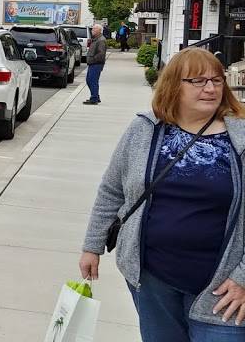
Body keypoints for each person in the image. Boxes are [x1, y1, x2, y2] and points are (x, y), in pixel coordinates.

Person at [80, 48, 245, 341]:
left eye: (217, 81)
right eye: (197, 81)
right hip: (154, 279)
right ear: (173, 86)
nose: (210, 88)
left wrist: (243, 278)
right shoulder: (145, 130)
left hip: (222, 290)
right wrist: (92, 246)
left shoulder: (240, 139)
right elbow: (111, 190)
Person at [84, 24, 107, 105]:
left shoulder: (101, 40)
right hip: (92, 63)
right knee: (89, 80)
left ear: (99, 30)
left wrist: (92, 60)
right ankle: (96, 96)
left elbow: (101, 54)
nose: (92, 30)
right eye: (92, 29)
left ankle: (94, 98)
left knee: (93, 81)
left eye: (94, 29)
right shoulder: (96, 39)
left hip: (96, 64)